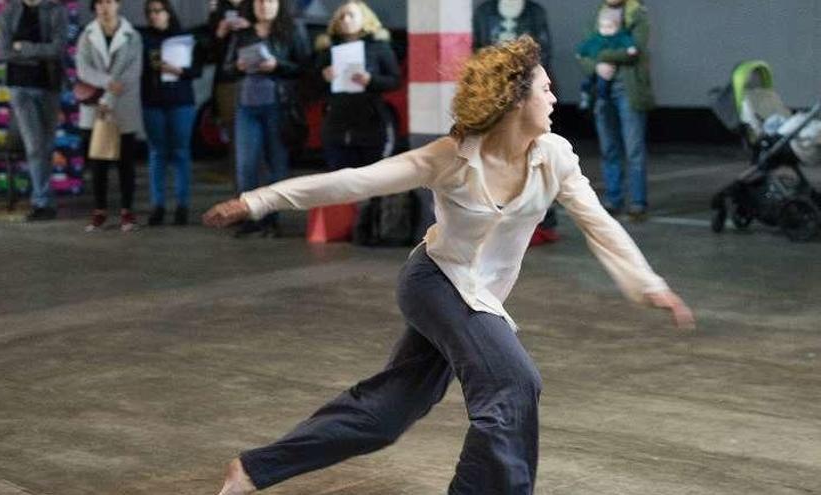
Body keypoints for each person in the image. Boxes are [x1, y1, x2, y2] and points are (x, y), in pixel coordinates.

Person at [203, 35, 695, 495]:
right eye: (545, 89)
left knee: (387, 414)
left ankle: (253, 469)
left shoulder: (555, 157)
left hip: (481, 296)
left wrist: (649, 284)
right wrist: (258, 200)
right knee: (512, 384)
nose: (553, 99)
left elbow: (599, 224)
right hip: (435, 283)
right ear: (515, 98)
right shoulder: (451, 158)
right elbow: (353, 182)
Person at [473, 0, 559, 245]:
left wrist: (536, 91)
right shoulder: (484, 12)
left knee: (532, 153)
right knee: (495, 154)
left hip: (526, 95)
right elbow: (478, 51)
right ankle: (497, 218)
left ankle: (540, 220)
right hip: (493, 94)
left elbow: (545, 53)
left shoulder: (535, 12)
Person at [229, 0, 309, 237]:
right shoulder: (243, 33)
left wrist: (277, 65)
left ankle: (272, 219)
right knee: (246, 166)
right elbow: (226, 68)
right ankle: (250, 218)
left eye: (270, 1)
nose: (264, 5)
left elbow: (304, 66)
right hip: (246, 106)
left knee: (277, 164)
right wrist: (238, 66)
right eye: (259, 1)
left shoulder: (292, 31)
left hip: (278, 105)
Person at [577, 0, 653, 221]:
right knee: (609, 147)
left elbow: (634, 50)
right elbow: (583, 53)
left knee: (634, 148)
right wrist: (597, 68)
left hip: (628, 90)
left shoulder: (636, 14)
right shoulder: (596, 15)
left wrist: (601, 57)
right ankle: (613, 199)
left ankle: (638, 202)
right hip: (602, 91)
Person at [0, 0, 67, 222]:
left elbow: (57, 49)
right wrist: (38, 53)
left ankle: (46, 199)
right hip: (20, 87)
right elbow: (3, 52)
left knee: (46, 144)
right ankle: (41, 201)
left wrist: (24, 48)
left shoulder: (56, 11)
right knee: (35, 146)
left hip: (49, 86)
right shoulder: (9, 11)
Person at [76, 0, 143, 232]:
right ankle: (100, 210)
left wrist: (110, 98)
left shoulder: (132, 35)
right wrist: (106, 84)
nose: (105, 7)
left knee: (126, 161)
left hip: (122, 104)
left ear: (118, 5)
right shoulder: (87, 35)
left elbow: (133, 72)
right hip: (94, 108)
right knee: (97, 162)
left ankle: (127, 210)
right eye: (100, 3)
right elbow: (83, 69)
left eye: (110, 2)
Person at [140, 0, 205, 226]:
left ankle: (182, 205)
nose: (154, 16)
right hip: (152, 101)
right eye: (150, 13)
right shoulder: (143, 38)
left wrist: (180, 70)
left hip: (180, 101)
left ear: (168, 13)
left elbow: (197, 69)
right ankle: (157, 205)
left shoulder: (184, 38)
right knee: (157, 153)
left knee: (180, 152)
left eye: (158, 11)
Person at [316, 0, 400, 170]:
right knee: (339, 173)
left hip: (370, 120)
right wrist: (324, 77)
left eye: (351, 15)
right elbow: (311, 85)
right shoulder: (328, 49)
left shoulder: (379, 47)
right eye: (341, 16)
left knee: (371, 174)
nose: (345, 20)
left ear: (365, 19)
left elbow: (394, 80)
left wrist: (371, 80)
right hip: (336, 120)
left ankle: (375, 198)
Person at [208, 0, 251, 152]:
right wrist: (220, 33)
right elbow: (210, 51)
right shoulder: (218, 7)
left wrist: (248, 27)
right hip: (227, 77)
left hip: (253, 74)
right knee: (233, 131)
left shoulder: (255, 5)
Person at [575, 7, 637, 111]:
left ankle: (601, 101)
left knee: (602, 85)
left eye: (609, 27)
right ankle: (586, 96)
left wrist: (630, 48)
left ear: (616, 27)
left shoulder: (619, 37)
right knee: (587, 82)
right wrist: (581, 53)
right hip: (596, 68)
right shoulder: (596, 38)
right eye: (602, 27)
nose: (605, 30)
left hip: (614, 74)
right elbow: (586, 46)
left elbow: (627, 43)